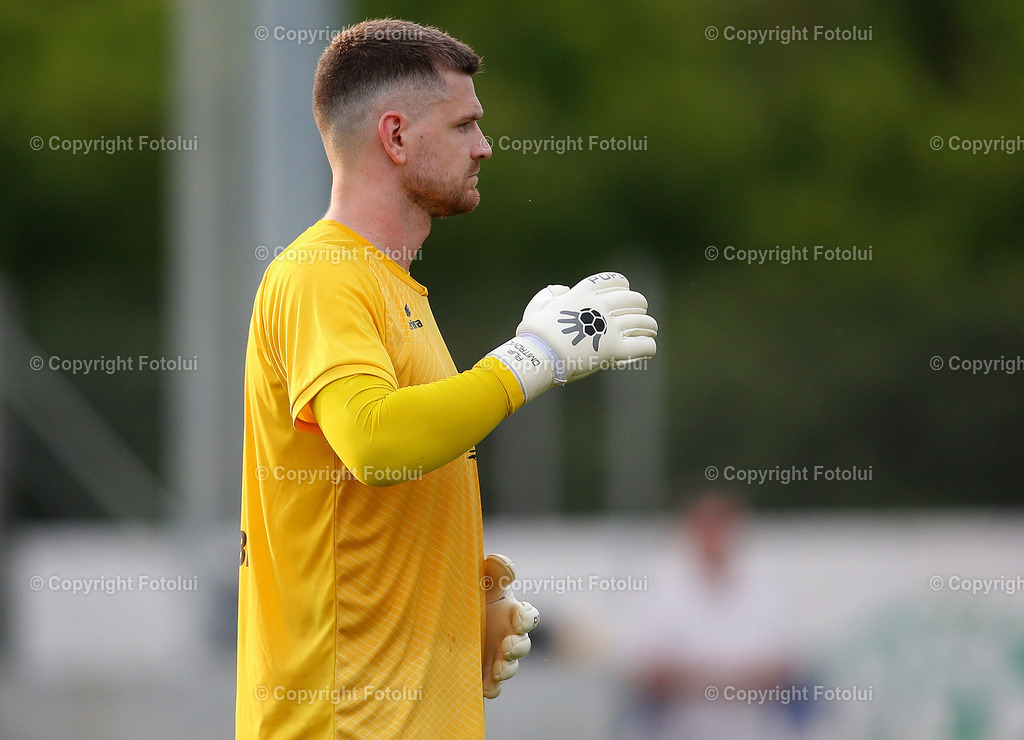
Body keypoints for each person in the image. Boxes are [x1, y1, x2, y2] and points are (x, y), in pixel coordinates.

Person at [235, 18, 658, 739]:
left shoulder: (393, 290)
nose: (484, 146)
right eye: (465, 125)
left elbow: (365, 510)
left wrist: (458, 632)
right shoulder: (319, 274)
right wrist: (533, 360)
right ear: (396, 137)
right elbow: (373, 441)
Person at [618, 491, 794, 740]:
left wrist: (696, 679)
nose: (714, 535)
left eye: (721, 525)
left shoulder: (761, 585)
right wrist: (734, 680)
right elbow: (647, 672)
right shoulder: (662, 585)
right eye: (706, 525)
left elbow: (781, 672)